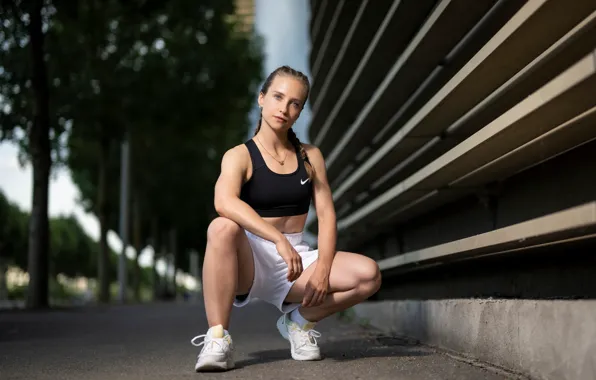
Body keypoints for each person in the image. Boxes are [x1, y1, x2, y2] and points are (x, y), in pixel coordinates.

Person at [190, 65, 382, 372]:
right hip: (248, 260)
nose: (285, 107)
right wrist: (276, 238)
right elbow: (223, 201)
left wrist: (323, 269)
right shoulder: (239, 155)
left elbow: (328, 215)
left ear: (300, 111)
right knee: (221, 226)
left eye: (295, 103)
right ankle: (217, 338)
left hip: (295, 265)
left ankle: (298, 322)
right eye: (278, 97)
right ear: (262, 98)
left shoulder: (310, 156)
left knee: (369, 275)